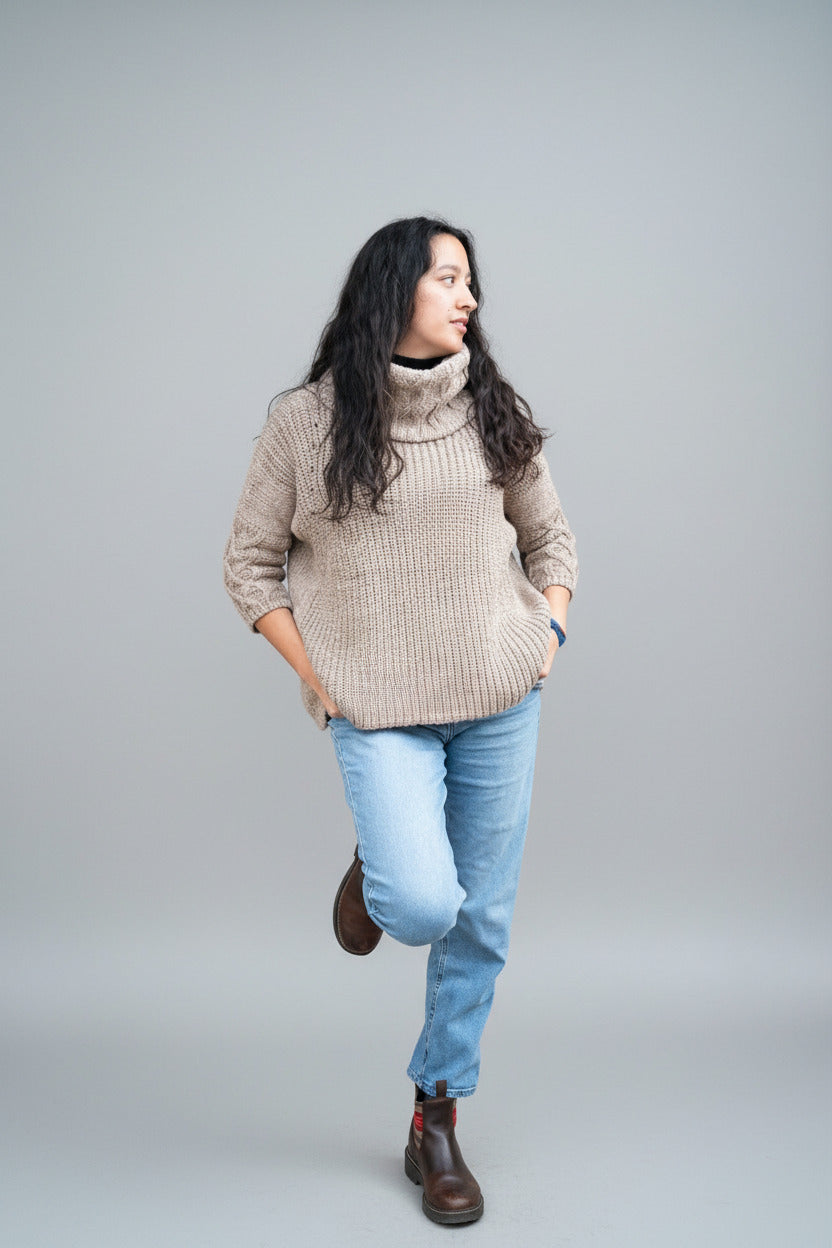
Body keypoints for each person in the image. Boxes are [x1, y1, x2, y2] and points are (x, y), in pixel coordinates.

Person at [223, 216, 578, 1226]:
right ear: (393, 289)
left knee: (481, 924)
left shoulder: (492, 409)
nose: (468, 297)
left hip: (500, 702)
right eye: (448, 278)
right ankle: (385, 862)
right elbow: (248, 566)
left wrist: (542, 643)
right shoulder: (306, 421)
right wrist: (317, 676)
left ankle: (435, 1116)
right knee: (422, 903)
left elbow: (552, 543)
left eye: (471, 282)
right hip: (377, 708)